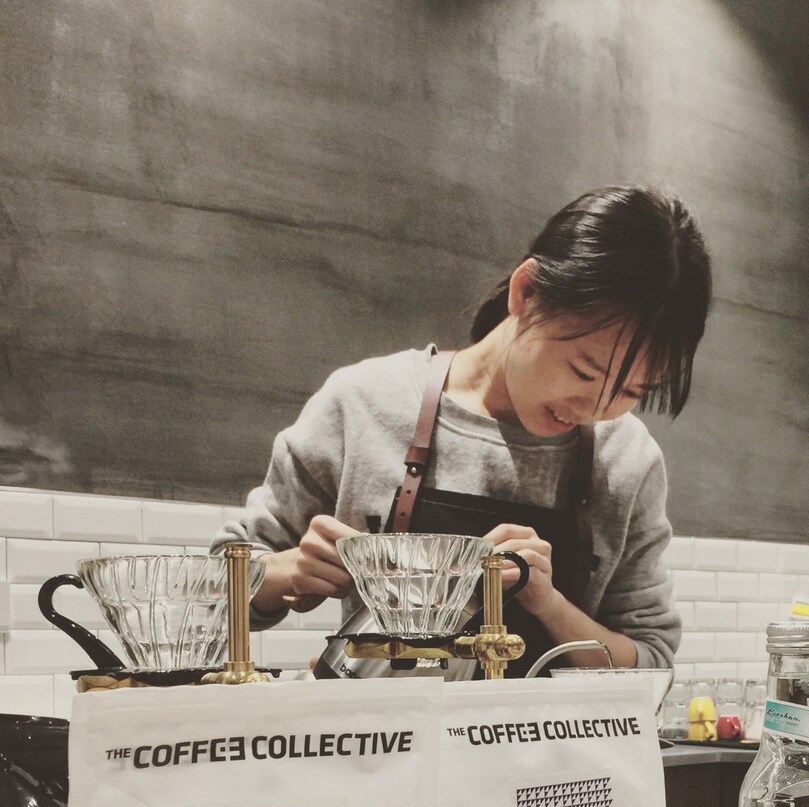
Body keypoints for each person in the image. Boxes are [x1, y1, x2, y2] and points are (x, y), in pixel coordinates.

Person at [214, 185, 711, 673]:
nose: (595, 408)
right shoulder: (365, 404)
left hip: (553, 733)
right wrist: (288, 571)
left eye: (632, 391)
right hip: (386, 728)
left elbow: (651, 663)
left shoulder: (627, 460)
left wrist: (551, 605)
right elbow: (216, 588)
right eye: (584, 372)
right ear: (526, 292)